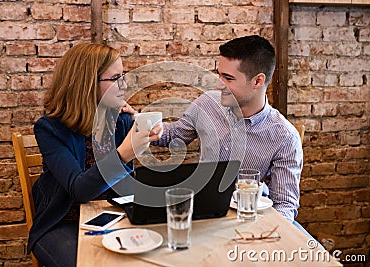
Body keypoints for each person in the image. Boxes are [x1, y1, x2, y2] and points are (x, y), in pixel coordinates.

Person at [28, 43, 162, 266]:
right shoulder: (49, 129)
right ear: (87, 83)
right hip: (63, 222)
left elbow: (127, 187)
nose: (124, 84)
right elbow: (79, 190)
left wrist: (143, 124)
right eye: (116, 78)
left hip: (113, 215)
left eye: (124, 76)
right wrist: (123, 154)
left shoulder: (119, 120)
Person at [153, 35, 303, 223]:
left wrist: (262, 236)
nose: (218, 84)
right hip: (202, 213)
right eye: (219, 74)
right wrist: (136, 120)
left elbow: (284, 205)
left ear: (257, 81)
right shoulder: (207, 103)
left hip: (247, 220)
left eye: (228, 78)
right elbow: (172, 135)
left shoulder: (285, 137)